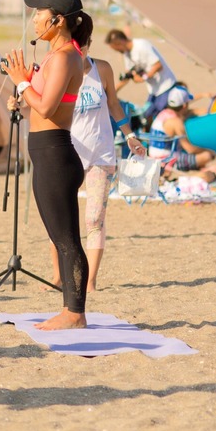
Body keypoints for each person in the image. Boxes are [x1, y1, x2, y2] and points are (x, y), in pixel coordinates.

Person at [2, 0, 89, 330]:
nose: (34, 19)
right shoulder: (56, 56)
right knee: (59, 238)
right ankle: (71, 311)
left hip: (56, 154)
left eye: (39, 13)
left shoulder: (67, 55)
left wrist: (23, 84)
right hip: (46, 153)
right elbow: (38, 102)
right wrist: (21, 96)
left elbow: (48, 107)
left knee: (67, 240)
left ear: (57, 20)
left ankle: (74, 313)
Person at [38, 21, 145, 292]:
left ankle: (91, 280)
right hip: (66, 151)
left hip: (100, 153)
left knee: (94, 218)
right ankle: (59, 277)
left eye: (83, 47)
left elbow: (114, 104)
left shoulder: (103, 69)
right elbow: (42, 105)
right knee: (62, 216)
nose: (80, 52)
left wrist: (130, 135)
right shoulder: (58, 68)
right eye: (75, 47)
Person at [105, 29, 178, 125]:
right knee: (146, 116)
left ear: (120, 43)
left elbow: (158, 65)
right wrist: (111, 92)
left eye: (116, 49)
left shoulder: (141, 45)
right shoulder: (127, 54)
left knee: (157, 118)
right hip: (154, 89)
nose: (117, 51)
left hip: (165, 85)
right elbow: (128, 76)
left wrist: (143, 78)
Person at [148, 85, 216, 172]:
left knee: (191, 113)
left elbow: (190, 111)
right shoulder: (176, 122)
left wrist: (203, 96)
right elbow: (190, 149)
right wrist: (211, 150)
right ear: (184, 105)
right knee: (207, 156)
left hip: (154, 157)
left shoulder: (164, 113)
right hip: (166, 163)